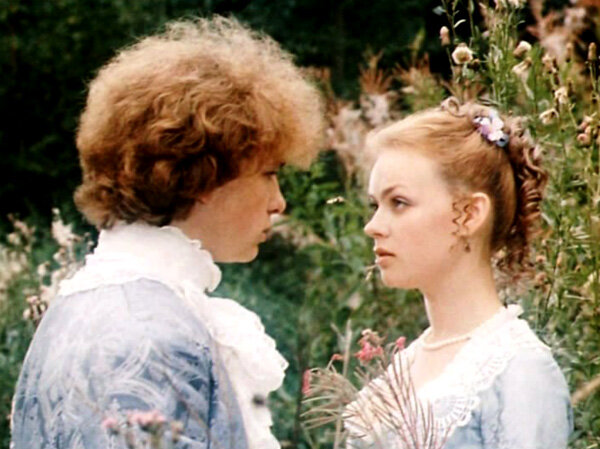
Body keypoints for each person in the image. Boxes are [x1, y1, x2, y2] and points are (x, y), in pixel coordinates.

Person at [11, 16, 324, 449]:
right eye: (269, 173)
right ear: (203, 176)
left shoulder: (88, 303)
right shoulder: (152, 332)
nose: (279, 202)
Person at [343, 98, 572, 448]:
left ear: (469, 214)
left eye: (399, 203)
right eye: (376, 205)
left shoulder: (519, 372)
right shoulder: (407, 365)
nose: (372, 226)